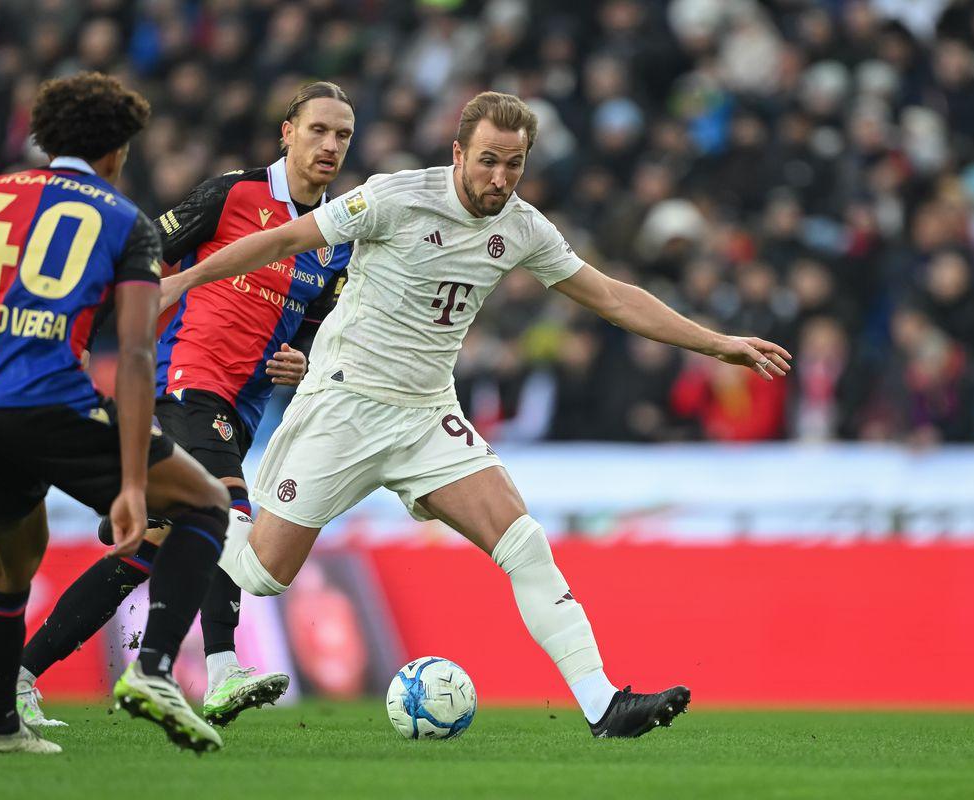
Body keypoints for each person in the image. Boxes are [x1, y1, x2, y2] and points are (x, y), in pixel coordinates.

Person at [161, 92, 793, 738]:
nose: (500, 179)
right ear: (458, 152)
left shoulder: (522, 227)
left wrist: (719, 344)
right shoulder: (394, 197)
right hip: (343, 406)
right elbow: (284, 239)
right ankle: (190, 515)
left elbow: (611, 298)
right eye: (488, 161)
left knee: (525, 544)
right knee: (263, 575)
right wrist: (184, 281)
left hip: (426, 415)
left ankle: (604, 705)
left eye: (514, 165)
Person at [0, 73, 231, 755]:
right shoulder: (125, 221)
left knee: (14, 562)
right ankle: (153, 669)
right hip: (47, 403)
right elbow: (132, 353)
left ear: (44, 138)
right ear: (118, 150)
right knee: (205, 505)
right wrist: (129, 484)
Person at [15, 81, 355, 728]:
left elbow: (314, 321)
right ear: (287, 132)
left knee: (147, 550)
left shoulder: (335, 236)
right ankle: (223, 671)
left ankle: (19, 676)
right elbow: (146, 256)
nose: (330, 145)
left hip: (242, 406)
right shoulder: (234, 193)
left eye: (342, 135)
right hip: (185, 379)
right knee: (225, 511)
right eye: (318, 130)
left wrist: (303, 356)